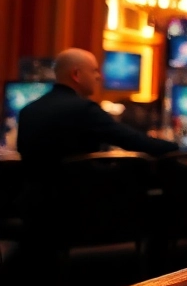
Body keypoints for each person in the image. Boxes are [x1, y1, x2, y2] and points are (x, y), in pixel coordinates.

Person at [17, 48, 177, 184]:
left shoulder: (28, 111)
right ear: (76, 74)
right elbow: (132, 141)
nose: (99, 77)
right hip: (74, 205)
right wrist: (175, 149)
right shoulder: (84, 109)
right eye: (94, 71)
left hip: (32, 206)